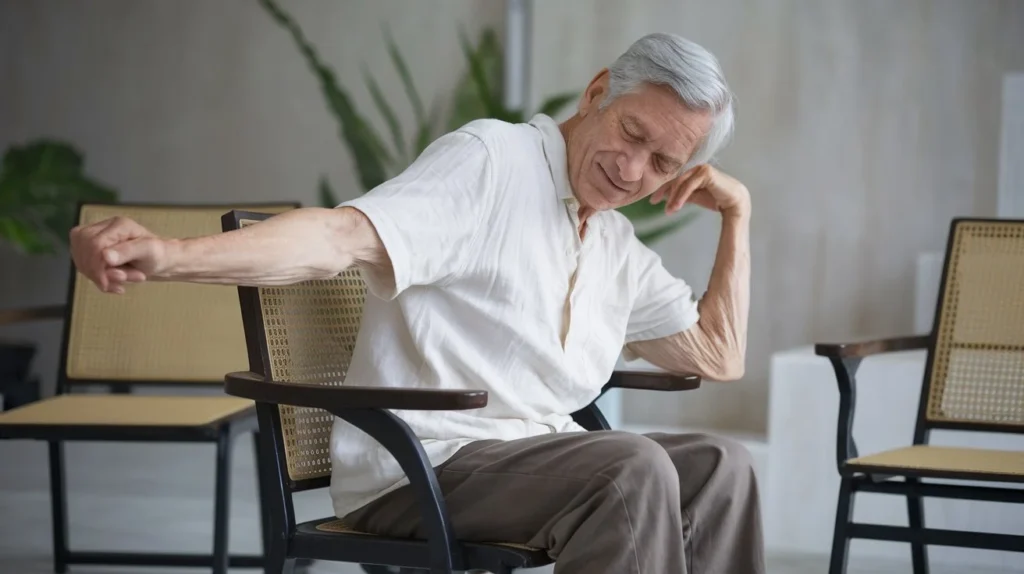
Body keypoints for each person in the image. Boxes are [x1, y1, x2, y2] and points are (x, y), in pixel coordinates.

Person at [70, 32, 760, 574]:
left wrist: (737, 213)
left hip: (533, 458)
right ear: (598, 92)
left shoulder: (610, 240)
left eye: (663, 163)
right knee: (629, 467)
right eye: (632, 134)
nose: (633, 170)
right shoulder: (493, 162)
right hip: (422, 465)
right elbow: (338, 237)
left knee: (720, 469)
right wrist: (170, 256)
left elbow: (717, 355)